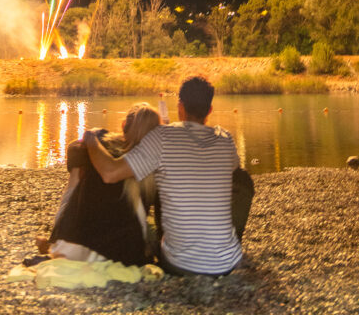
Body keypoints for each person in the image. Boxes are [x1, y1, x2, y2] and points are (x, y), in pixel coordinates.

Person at [83, 75, 253, 277]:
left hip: (179, 265)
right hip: (227, 263)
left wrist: (91, 139)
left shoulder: (162, 137)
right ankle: (224, 240)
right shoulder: (225, 139)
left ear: (180, 107)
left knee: (147, 215)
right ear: (209, 110)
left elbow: (110, 173)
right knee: (242, 179)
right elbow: (231, 172)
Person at [36, 102, 160, 266]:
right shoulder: (155, 162)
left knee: (76, 179)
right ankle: (54, 243)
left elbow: (74, 148)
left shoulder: (100, 146)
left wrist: (91, 138)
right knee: (147, 223)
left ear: (123, 125)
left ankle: (55, 241)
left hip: (76, 249)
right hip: (125, 255)